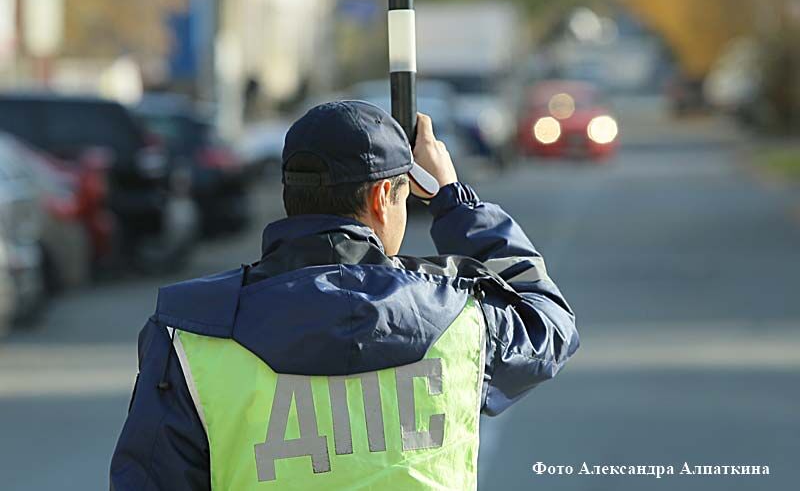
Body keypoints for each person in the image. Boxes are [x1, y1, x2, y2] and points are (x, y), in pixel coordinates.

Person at [110, 101, 579, 491]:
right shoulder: (462, 317)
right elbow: (549, 321)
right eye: (402, 197)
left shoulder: (191, 333)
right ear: (381, 198)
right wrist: (452, 201)